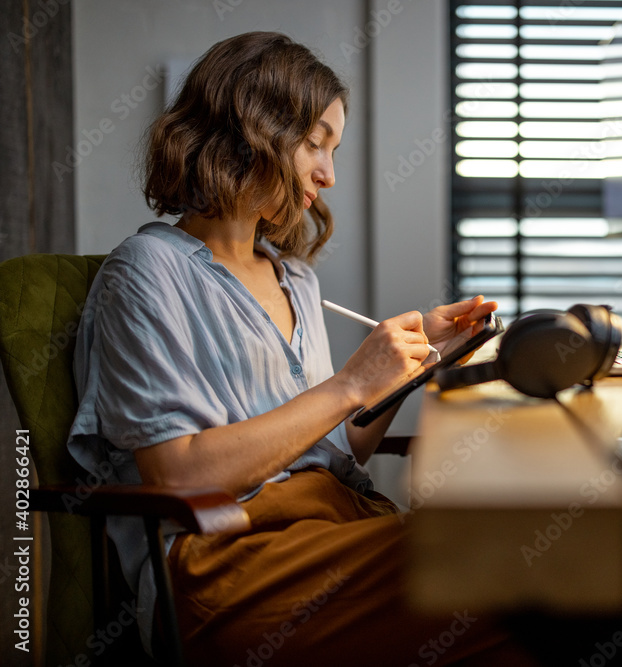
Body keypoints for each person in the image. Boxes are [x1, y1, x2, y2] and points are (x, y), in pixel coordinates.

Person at [67, 31, 519, 666]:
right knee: (494, 570)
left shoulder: (293, 277)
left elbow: (335, 448)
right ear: (254, 130)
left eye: (334, 149)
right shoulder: (145, 272)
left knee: (517, 577)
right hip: (227, 562)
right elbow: (179, 474)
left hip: (329, 527)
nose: (329, 174)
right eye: (316, 144)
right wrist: (350, 384)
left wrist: (415, 365)